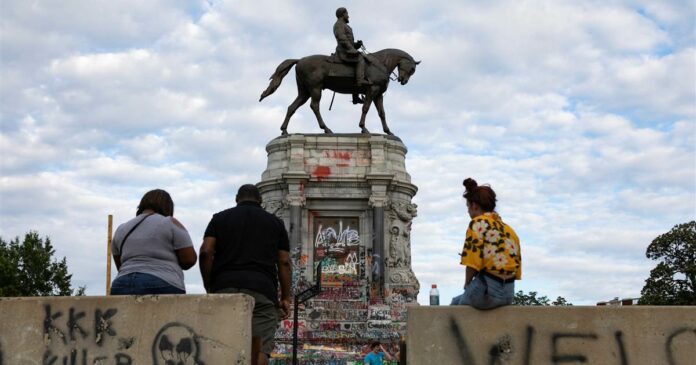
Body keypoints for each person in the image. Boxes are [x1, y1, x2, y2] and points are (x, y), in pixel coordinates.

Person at [199, 184, 291, 365]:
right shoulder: (275, 223)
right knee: (259, 348)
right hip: (262, 290)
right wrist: (286, 297)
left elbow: (205, 252)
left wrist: (209, 284)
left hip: (224, 287)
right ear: (261, 201)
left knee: (221, 344)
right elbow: (284, 261)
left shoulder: (219, 219)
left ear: (236, 199)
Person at [451, 178, 521, 309]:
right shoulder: (508, 229)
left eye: (468, 207)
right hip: (508, 293)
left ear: (474, 205)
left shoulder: (478, 223)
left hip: (487, 291)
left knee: (456, 310)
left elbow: (472, 261)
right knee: (456, 301)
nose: (468, 211)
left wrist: (467, 284)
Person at [110, 189, 197, 295]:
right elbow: (189, 260)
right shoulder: (170, 223)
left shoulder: (121, 229)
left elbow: (120, 265)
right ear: (168, 207)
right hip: (163, 282)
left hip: (121, 284)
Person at [333, 7, 370, 104]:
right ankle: (360, 81)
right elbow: (342, 39)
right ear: (342, 14)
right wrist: (352, 49)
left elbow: (349, 41)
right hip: (344, 51)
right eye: (347, 14)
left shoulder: (344, 25)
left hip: (348, 49)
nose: (348, 16)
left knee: (355, 64)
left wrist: (356, 45)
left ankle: (355, 96)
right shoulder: (339, 24)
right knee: (361, 58)